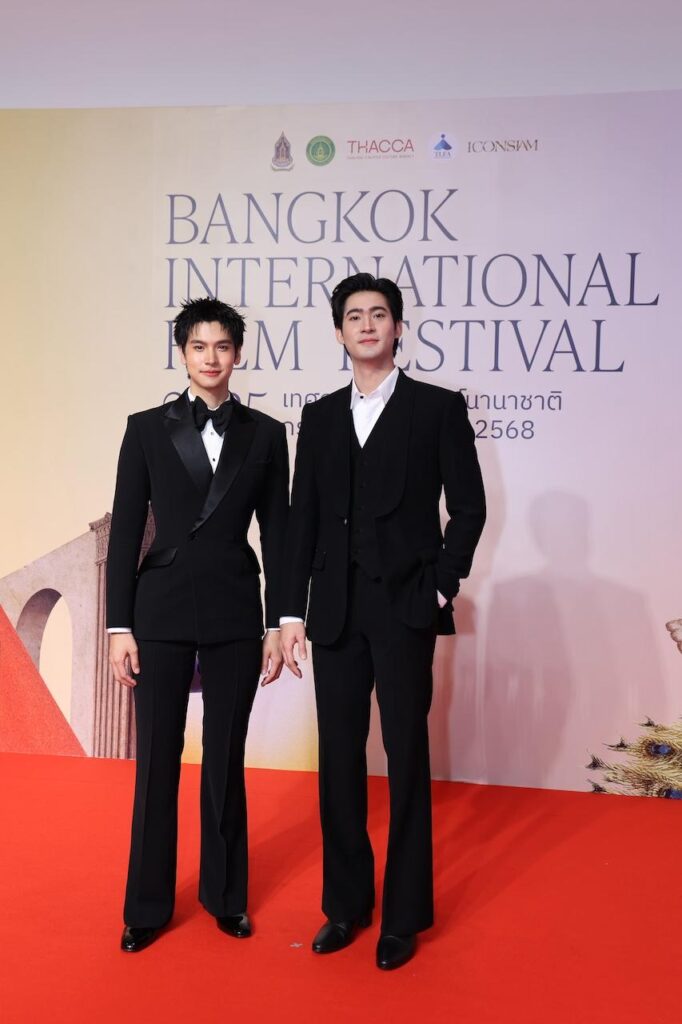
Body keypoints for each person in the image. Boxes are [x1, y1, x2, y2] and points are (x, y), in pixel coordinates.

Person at [281, 273, 486, 970]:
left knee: (405, 758)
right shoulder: (320, 417)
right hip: (334, 612)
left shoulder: (437, 408)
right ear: (339, 332)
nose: (367, 325)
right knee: (338, 761)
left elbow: (470, 507)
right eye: (354, 316)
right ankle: (345, 906)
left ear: (398, 327)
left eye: (378, 314)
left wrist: (439, 588)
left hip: (404, 609)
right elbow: (303, 520)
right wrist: (290, 612)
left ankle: (403, 916)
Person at [107, 297, 288, 953]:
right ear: (183, 354)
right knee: (156, 763)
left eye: (222, 346)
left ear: (237, 354)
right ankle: (146, 907)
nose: (211, 358)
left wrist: (280, 622)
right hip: (158, 612)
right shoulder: (145, 429)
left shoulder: (266, 434)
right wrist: (118, 627)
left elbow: (280, 534)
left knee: (226, 760)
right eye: (199, 346)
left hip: (235, 611)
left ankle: (226, 897)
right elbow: (127, 530)